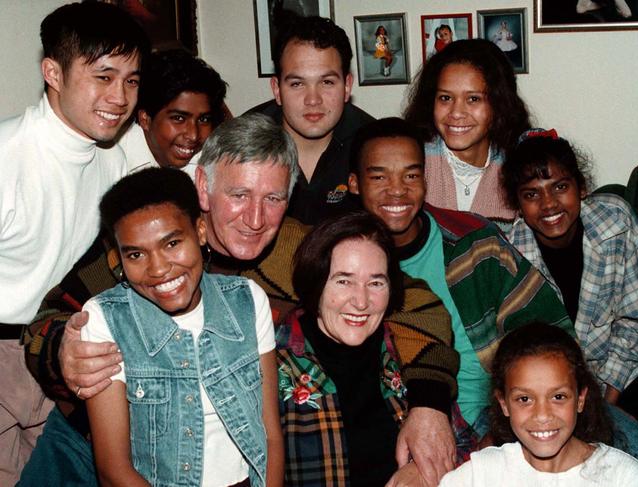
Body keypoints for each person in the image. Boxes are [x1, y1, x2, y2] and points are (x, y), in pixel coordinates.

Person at [39, 115, 456, 483]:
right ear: (203, 185)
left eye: (272, 199)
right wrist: (63, 348)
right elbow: (51, 315)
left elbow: (415, 303)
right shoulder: (151, 242)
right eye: (238, 195)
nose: (255, 220)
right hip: (91, 441)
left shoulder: (297, 251)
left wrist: (429, 405)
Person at [346, 117, 575, 485]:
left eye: (410, 175)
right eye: (379, 177)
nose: (397, 191)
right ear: (354, 184)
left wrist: (500, 435)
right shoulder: (341, 259)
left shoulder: (472, 240)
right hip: (405, 416)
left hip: (505, 409)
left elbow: (549, 333)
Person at [0, 3, 149, 484]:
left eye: (131, 79)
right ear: (53, 73)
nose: (119, 96)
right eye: (103, 76)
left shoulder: (113, 158)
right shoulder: (6, 157)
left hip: (64, 352)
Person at [81, 168, 282, 487]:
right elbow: (112, 469)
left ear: (200, 232)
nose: (158, 269)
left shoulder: (246, 301)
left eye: (172, 243)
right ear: (118, 258)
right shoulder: (106, 319)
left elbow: (270, 433)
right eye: (135, 254)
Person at [279, 211, 475, 486]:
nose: (361, 301)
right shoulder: (275, 362)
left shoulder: (410, 348)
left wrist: (425, 471)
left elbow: (465, 447)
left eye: (376, 283)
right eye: (343, 280)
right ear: (316, 282)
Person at [502, 129, 638, 430]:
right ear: (517, 204)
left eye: (560, 187)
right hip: (552, 390)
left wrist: (608, 404)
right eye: (532, 194)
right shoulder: (510, 254)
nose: (549, 204)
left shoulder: (615, 220)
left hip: (624, 373)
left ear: (581, 187)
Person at [439, 322, 638, 486]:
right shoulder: (481, 475)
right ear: (503, 404)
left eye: (558, 397)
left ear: (580, 399)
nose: (542, 415)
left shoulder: (622, 477)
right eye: (524, 399)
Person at [250, 15, 374, 224]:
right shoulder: (244, 142)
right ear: (277, 89)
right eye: (297, 84)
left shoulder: (372, 143)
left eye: (326, 82)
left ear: (347, 86)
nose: (313, 100)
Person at [404, 39, 531, 231]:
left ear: (499, 103)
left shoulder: (520, 170)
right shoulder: (411, 163)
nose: (456, 113)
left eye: (473, 99)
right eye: (445, 98)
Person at [119, 49, 228, 173]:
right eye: (179, 118)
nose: (193, 135)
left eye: (204, 119)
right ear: (145, 119)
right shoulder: (114, 162)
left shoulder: (210, 159)